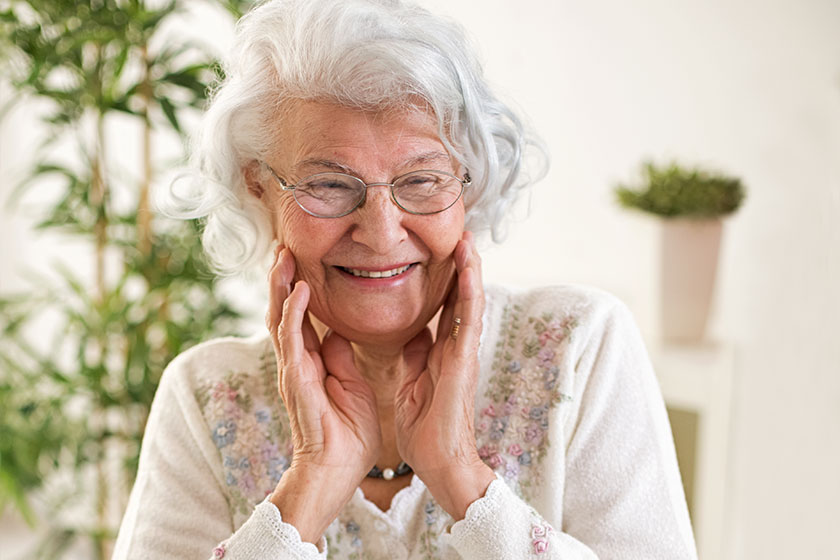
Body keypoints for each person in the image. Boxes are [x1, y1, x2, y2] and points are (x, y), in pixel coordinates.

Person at [113, 0, 697, 558]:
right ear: (259, 188)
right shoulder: (208, 396)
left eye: (421, 180)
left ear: (471, 184)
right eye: (330, 185)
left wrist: (462, 478)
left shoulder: (577, 347)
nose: (382, 232)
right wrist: (309, 488)